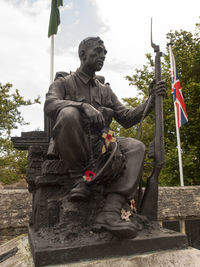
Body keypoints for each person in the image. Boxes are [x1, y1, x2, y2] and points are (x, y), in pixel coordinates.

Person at [44, 36, 165, 238]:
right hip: (76, 146)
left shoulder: (105, 90)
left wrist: (151, 100)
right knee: (67, 114)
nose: (102, 56)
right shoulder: (64, 83)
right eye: (97, 52)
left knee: (136, 146)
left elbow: (126, 118)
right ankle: (80, 180)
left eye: (104, 53)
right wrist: (81, 106)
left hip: (102, 144)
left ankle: (110, 211)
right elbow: (50, 105)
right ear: (83, 55)